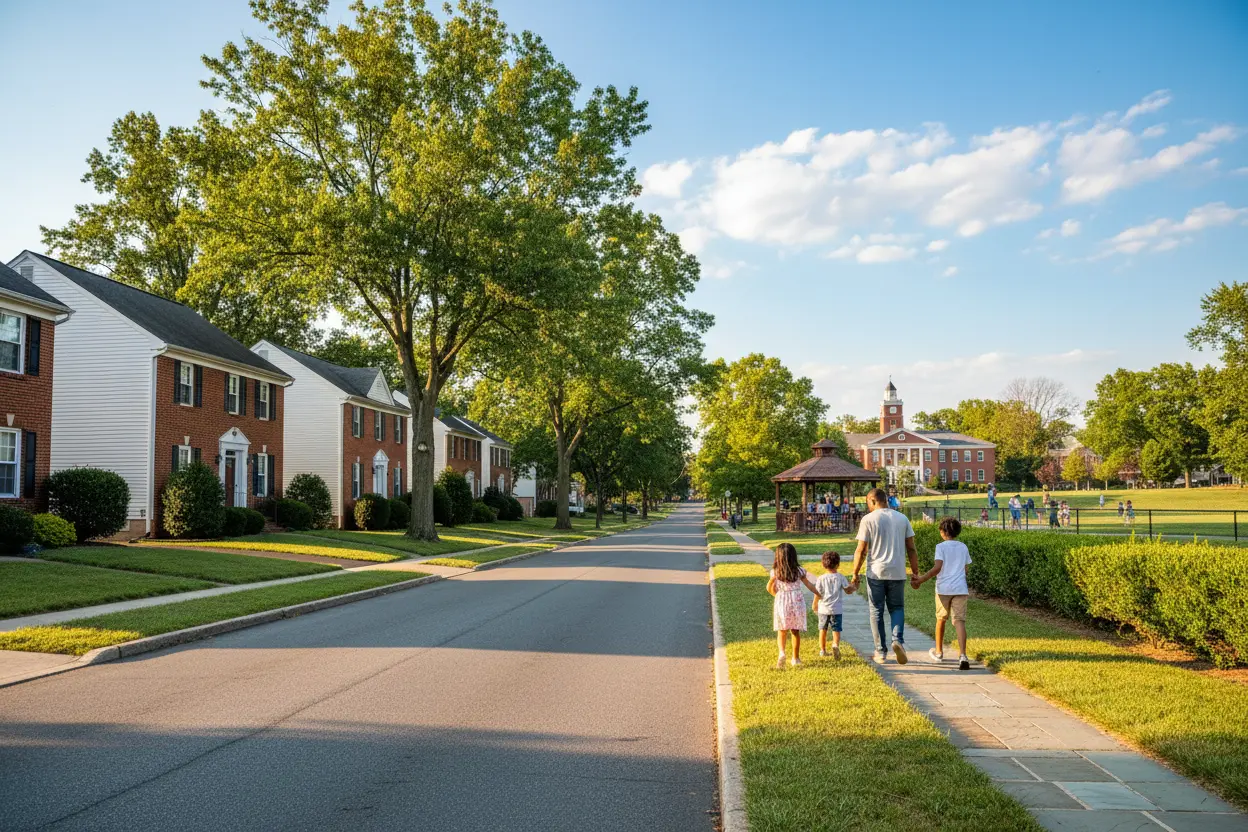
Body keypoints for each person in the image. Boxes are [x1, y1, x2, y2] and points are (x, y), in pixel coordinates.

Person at [851, 487, 919, 665]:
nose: (868, 507)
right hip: (897, 571)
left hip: (875, 572)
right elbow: (911, 548)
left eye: (868, 503)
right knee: (897, 608)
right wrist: (916, 573)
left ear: (873, 501)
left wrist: (855, 573)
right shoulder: (902, 518)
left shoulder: (868, 519)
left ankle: (880, 651)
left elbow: (861, 550)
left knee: (876, 611)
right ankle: (898, 640)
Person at [913, 516, 972, 671]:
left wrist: (921, 579)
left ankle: (939, 652)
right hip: (960, 588)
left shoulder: (941, 547)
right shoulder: (963, 547)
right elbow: (965, 569)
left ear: (942, 532)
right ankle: (963, 655)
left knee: (941, 619)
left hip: (943, 589)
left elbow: (937, 567)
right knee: (959, 621)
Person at [768, 542, 820, 668]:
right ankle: (795, 658)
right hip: (796, 601)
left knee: (782, 630)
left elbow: (770, 588)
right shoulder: (800, 571)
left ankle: (781, 653)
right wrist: (819, 593)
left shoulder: (775, 572)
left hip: (782, 600)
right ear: (793, 556)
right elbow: (809, 585)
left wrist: (777, 595)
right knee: (795, 631)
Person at [812, 551, 854, 659]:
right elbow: (848, 590)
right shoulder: (841, 577)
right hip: (837, 609)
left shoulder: (821, 578)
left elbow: (818, 593)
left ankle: (822, 650)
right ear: (838, 564)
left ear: (823, 564)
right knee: (836, 629)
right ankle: (835, 645)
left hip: (823, 609)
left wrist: (814, 603)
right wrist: (854, 585)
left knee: (822, 629)